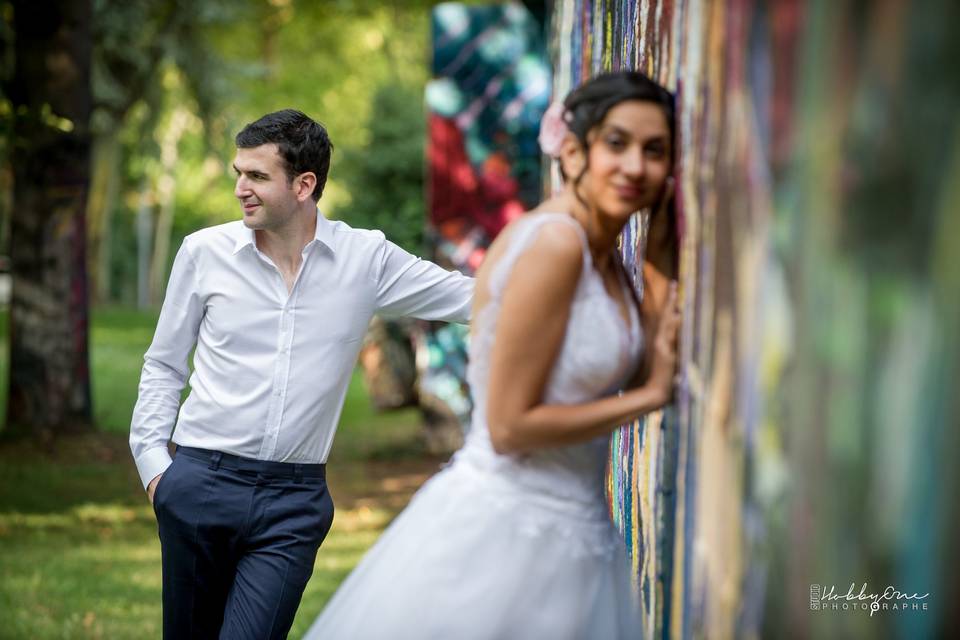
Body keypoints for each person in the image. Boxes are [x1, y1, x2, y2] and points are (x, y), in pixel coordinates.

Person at [304, 71, 681, 639]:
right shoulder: (555, 244)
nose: (635, 166)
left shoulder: (604, 255)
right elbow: (508, 426)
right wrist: (650, 400)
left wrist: (657, 257)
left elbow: (635, 363)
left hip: (576, 534)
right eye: (617, 144)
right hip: (507, 538)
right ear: (575, 152)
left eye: (655, 151)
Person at [129, 109, 474, 640]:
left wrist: (574, 271)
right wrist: (156, 468)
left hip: (293, 502)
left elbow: (473, 298)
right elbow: (164, 362)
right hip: (200, 482)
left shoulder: (366, 259)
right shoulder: (204, 253)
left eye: (258, 177)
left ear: (304, 184)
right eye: (239, 174)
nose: (241, 188)